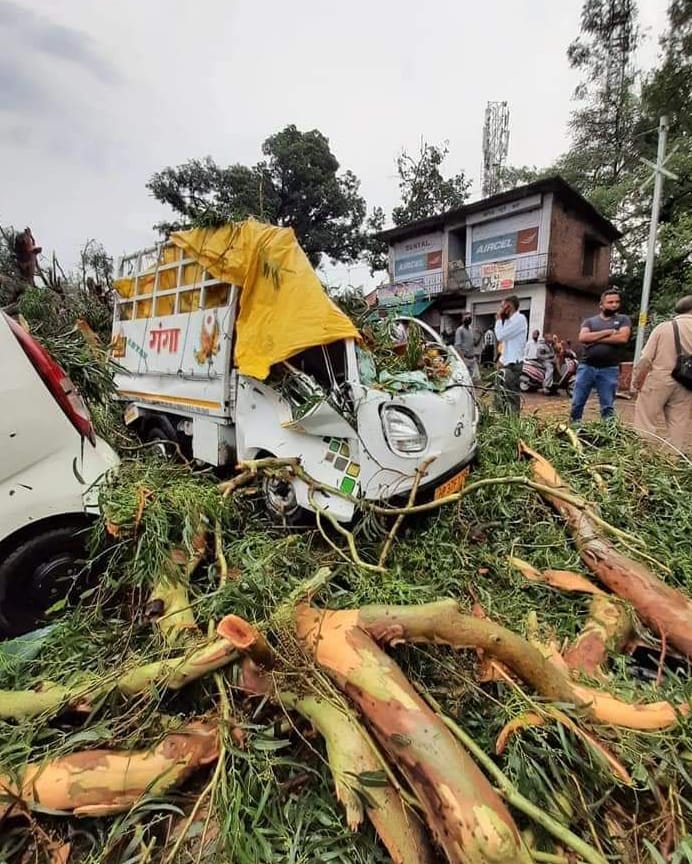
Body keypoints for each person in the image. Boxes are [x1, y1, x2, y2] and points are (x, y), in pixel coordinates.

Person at [632, 295, 692, 453]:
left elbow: (646, 359)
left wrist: (637, 381)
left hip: (659, 379)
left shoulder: (664, 327)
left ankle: (642, 455)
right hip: (686, 382)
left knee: (645, 420)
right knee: (678, 424)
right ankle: (670, 459)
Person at [570, 290, 631, 422]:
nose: (614, 305)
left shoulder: (623, 320)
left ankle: (607, 432)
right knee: (577, 402)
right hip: (587, 367)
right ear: (601, 305)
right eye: (610, 302)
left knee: (607, 406)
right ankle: (574, 429)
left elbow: (622, 338)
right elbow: (583, 337)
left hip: (609, 369)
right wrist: (608, 332)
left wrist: (594, 338)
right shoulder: (589, 321)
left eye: (617, 302)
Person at [494, 295, 528, 413]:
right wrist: (501, 359)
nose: (500, 310)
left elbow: (500, 336)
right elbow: (506, 344)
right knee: (499, 396)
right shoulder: (508, 321)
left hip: (513, 365)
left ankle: (513, 424)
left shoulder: (520, 319)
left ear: (509, 306)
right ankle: (501, 422)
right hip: (506, 363)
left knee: (511, 397)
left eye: (502, 307)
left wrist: (498, 320)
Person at [454, 313, 481, 383]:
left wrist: (480, 335)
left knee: (477, 379)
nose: (468, 319)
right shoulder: (460, 330)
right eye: (466, 318)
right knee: (466, 380)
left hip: (472, 358)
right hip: (465, 358)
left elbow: (475, 344)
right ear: (462, 319)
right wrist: (461, 357)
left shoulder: (471, 330)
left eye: (469, 318)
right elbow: (457, 345)